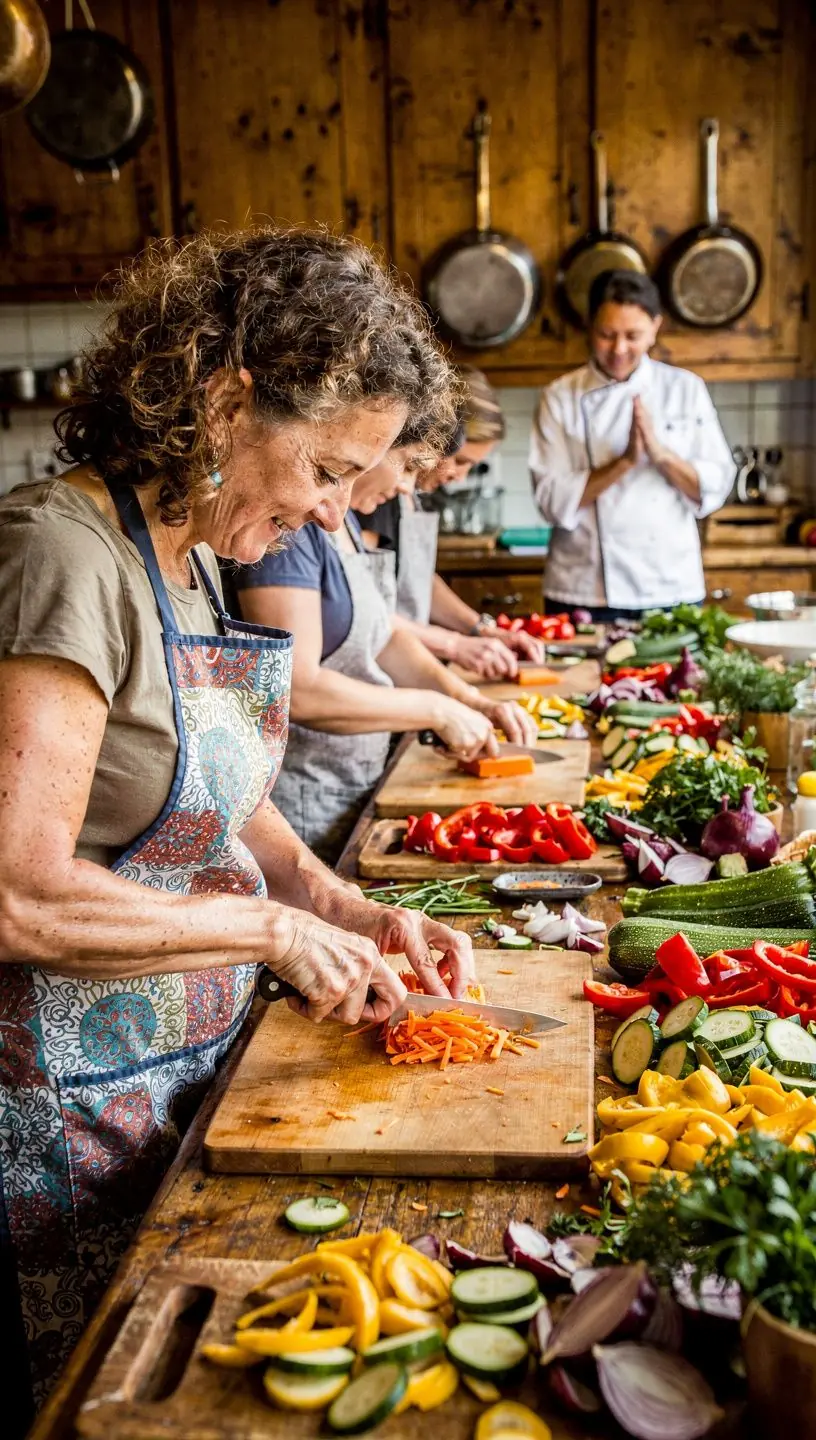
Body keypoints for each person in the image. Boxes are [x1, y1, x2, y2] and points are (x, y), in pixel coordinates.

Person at [0, 227, 477, 1431]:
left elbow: (223, 789)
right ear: (223, 399)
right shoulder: (63, 554)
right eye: (325, 469)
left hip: (179, 1087)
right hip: (60, 1121)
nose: (329, 514)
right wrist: (262, 928)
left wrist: (340, 902)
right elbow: (18, 891)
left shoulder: (199, 554)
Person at [233, 431, 538, 861]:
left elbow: (385, 638)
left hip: (354, 782)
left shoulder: (349, 525)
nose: (407, 487)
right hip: (302, 799)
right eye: (408, 465)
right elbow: (298, 691)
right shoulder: (294, 532)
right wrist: (435, 709)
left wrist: (469, 700)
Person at [529, 270, 735, 623]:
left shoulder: (685, 390)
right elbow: (551, 500)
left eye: (632, 335)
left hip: (671, 588)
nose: (619, 349)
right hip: (584, 588)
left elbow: (712, 488)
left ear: (655, 327)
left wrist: (661, 454)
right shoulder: (561, 397)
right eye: (606, 335)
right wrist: (624, 463)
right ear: (589, 327)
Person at [357, 368, 545, 677]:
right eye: (459, 460)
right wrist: (455, 644)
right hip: (379, 671)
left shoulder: (408, 495)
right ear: (437, 439)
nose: (460, 476)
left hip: (408, 669)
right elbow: (365, 603)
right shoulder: (375, 499)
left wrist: (482, 630)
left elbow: (416, 579)